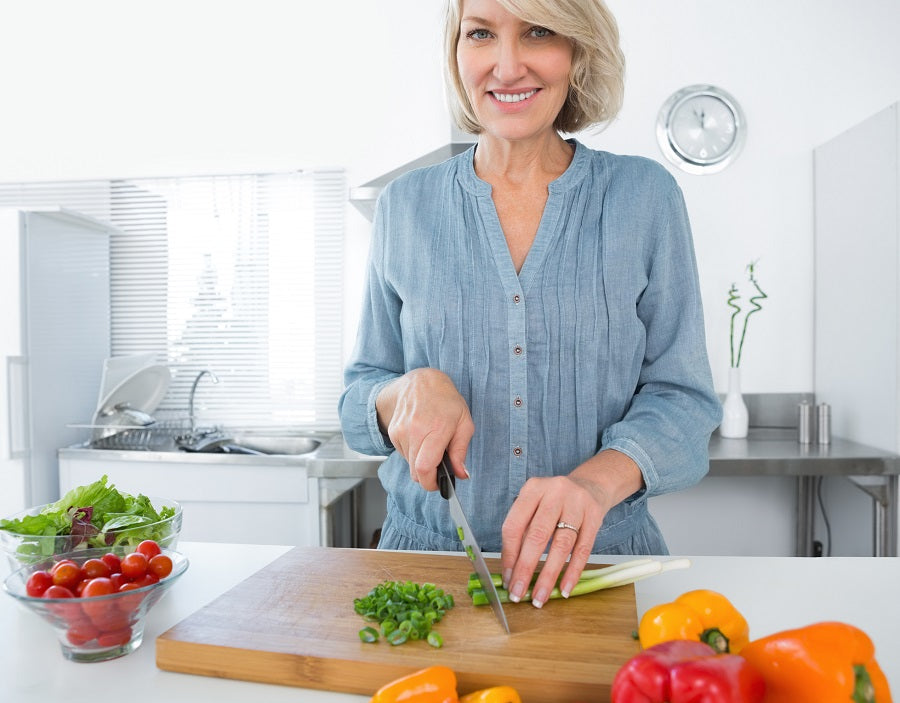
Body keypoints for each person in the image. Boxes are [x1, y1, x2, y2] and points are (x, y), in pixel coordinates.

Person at [339, 0, 721, 609]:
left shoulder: (645, 198)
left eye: (538, 32)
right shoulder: (404, 207)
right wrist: (402, 393)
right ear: (457, 52)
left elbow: (685, 397)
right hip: (425, 565)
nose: (507, 65)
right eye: (481, 34)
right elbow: (361, 390)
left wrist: (595, 485)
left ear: (576, 50)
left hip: (597, 562)